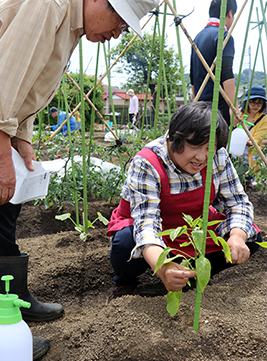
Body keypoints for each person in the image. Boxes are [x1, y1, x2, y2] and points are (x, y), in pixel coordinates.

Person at [0, 0, 160, 359]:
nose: (116, 35)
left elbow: (30, 80)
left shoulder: (69, 21)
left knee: (5, 210)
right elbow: (4, 77)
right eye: (121, 21)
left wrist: (21, 138)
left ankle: (11, 304)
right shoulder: (49, 0)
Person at [106, 102, 262, 303]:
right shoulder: (147, 162)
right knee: (125, 242)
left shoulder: (218, 157)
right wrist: (163, 268)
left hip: (192, 226)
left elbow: (238, 203)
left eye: (208, 148)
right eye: (194, 146)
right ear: (174, 139)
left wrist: (237, 237)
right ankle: (126, 283)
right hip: (153, 228)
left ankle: (194, 275)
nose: (201, 157)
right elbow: (146, 225)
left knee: (251, 237)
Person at [190, 0, 237, 125]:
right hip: (218, 107)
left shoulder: (197, 37)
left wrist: (196, 103)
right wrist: (234, 108)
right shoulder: (223, 36)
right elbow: (227, 74)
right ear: (229, 13)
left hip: (201, 108)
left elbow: (192, 78)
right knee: (219, 144)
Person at [239, 85, 267, 188]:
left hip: (250, 157)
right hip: (235, 155)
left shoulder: (264, 119)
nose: (256, 105)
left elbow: (257, 138)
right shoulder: (238, 114)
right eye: (253, 101)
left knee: (246, 181)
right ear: (247, 101)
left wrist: (245, 141)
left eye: (259, 103)